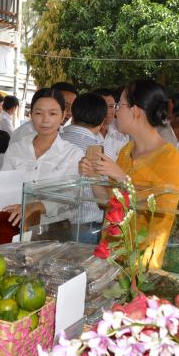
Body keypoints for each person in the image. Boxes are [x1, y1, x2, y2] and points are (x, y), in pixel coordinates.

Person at [78, 79, 179, 268]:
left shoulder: (170, 157)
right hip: (111, 254)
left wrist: (122, 178)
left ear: (135, 111)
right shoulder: (127, 150)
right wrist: (93, 175)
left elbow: (160, 211)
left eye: (119, 105)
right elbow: (107, 204)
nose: (115, 111)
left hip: (141, 262)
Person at [0, 88, 84, 228]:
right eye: (38, 113)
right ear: (31, 115)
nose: (45, 119)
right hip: (15, 229)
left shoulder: (73, 154)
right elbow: (2, 188)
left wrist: (33, 207)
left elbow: (68, 198)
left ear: (63, 116)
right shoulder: (16, 148)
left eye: (53, 113)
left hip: (54, 230)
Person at [60, 93, 117, 244]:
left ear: (73, 112)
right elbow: (110, 195)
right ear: (102, 120)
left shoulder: (56, 140)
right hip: (86, 228)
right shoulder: (103, 150)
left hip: (54, 223)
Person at [9, 82, 78, 144]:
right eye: (66, 106)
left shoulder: (62, 133)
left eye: (73, 107)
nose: (69, 112)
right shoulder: (25, 133)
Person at [93, 87, 128, 157]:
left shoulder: (120, 138)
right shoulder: (85, 135)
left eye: (111, 106)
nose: (108, 111)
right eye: (104, 106)